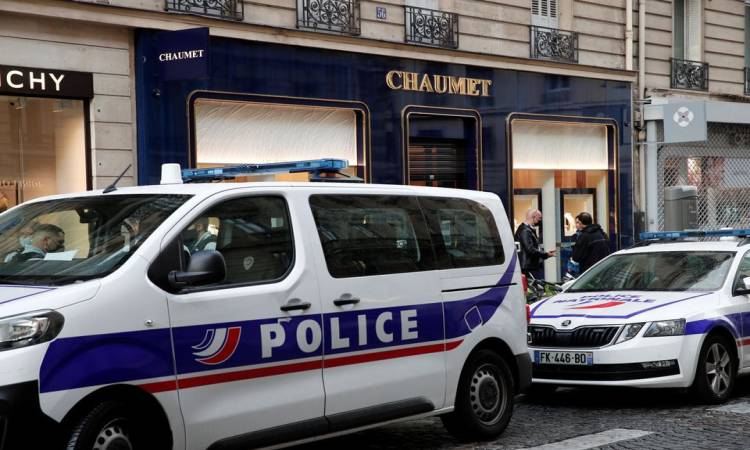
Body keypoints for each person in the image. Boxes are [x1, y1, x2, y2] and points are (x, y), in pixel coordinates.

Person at [515, 209, 555, 276]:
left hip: (529, 266)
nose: (540, 220)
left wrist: (545, 254)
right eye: (539, 218)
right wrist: (546, 254)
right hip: (529, 267)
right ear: (533, 217)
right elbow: (530, 249)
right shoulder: (525, 230)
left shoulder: (527, 229)